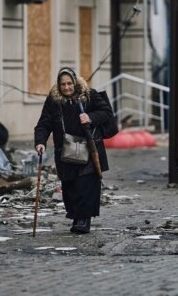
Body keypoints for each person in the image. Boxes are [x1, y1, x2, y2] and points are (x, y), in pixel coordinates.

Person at [34, 67, 113, 234]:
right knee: (70, 186)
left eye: (69, 83)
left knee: (87, 184)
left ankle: (84, 220)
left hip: (89, 148)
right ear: (58, 85)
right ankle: (77, 216)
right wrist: (40, 142)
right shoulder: (53, 101)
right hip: (66, 150)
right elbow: (44, 123)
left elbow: (106, 112)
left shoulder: (89, 95)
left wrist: (90, 117)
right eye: (63, 84)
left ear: (75, 82)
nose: (66, 87)